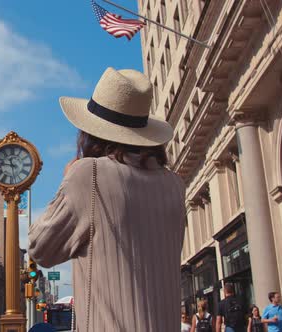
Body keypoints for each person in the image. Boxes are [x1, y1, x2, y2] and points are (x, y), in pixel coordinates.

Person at [28, 67, 185, 331]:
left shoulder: (88, 173)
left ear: (91, 133)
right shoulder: (174, 184)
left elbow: (40, 248)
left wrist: (66, 180)